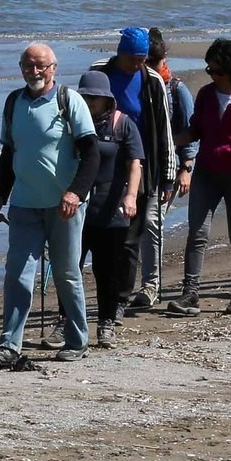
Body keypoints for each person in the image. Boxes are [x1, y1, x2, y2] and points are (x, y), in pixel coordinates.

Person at [0, 42, 98, 365]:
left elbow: (91, 154)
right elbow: (8, 155)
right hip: (24, 204)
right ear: (21, 67)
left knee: (65, 273)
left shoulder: (69, 101)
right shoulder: (13, 103)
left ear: (54, 69)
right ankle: (10, 345)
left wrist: (75, 193)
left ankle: (77, 340)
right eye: (28, 66)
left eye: (41, 66)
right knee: (18, 274)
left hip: (65, 207)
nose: (34, 72)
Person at [89, 27, 189, 315]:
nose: (137, 64)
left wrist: (169, 174)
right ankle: (102, 296)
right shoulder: (99, 72)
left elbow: (164, 130)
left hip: (141, 166)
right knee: (99, 235)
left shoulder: (152, 79)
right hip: (103, 162)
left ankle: (120, 299)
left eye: (142, 58)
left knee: (131, 237)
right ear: (119, 53)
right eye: (132, 58)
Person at [167, 38, 231, 315]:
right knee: (197, 233)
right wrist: (171, 142)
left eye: (217, 70)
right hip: (207, 173)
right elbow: (195, 129)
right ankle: (190, 293)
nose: (212, 75)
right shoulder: (207, 94)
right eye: (209, 69)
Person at [74, 69, 144, 346]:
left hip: (110, 209)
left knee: (107, 271)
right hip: (77, 209)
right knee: (70, 269)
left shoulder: (122, 125)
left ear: (106, 100)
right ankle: (66, 319)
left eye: (95, 98)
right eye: (86, 97)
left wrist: (131, 197)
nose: (90, 103)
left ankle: (106, 324)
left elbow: (135, 163)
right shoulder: (73, 124)